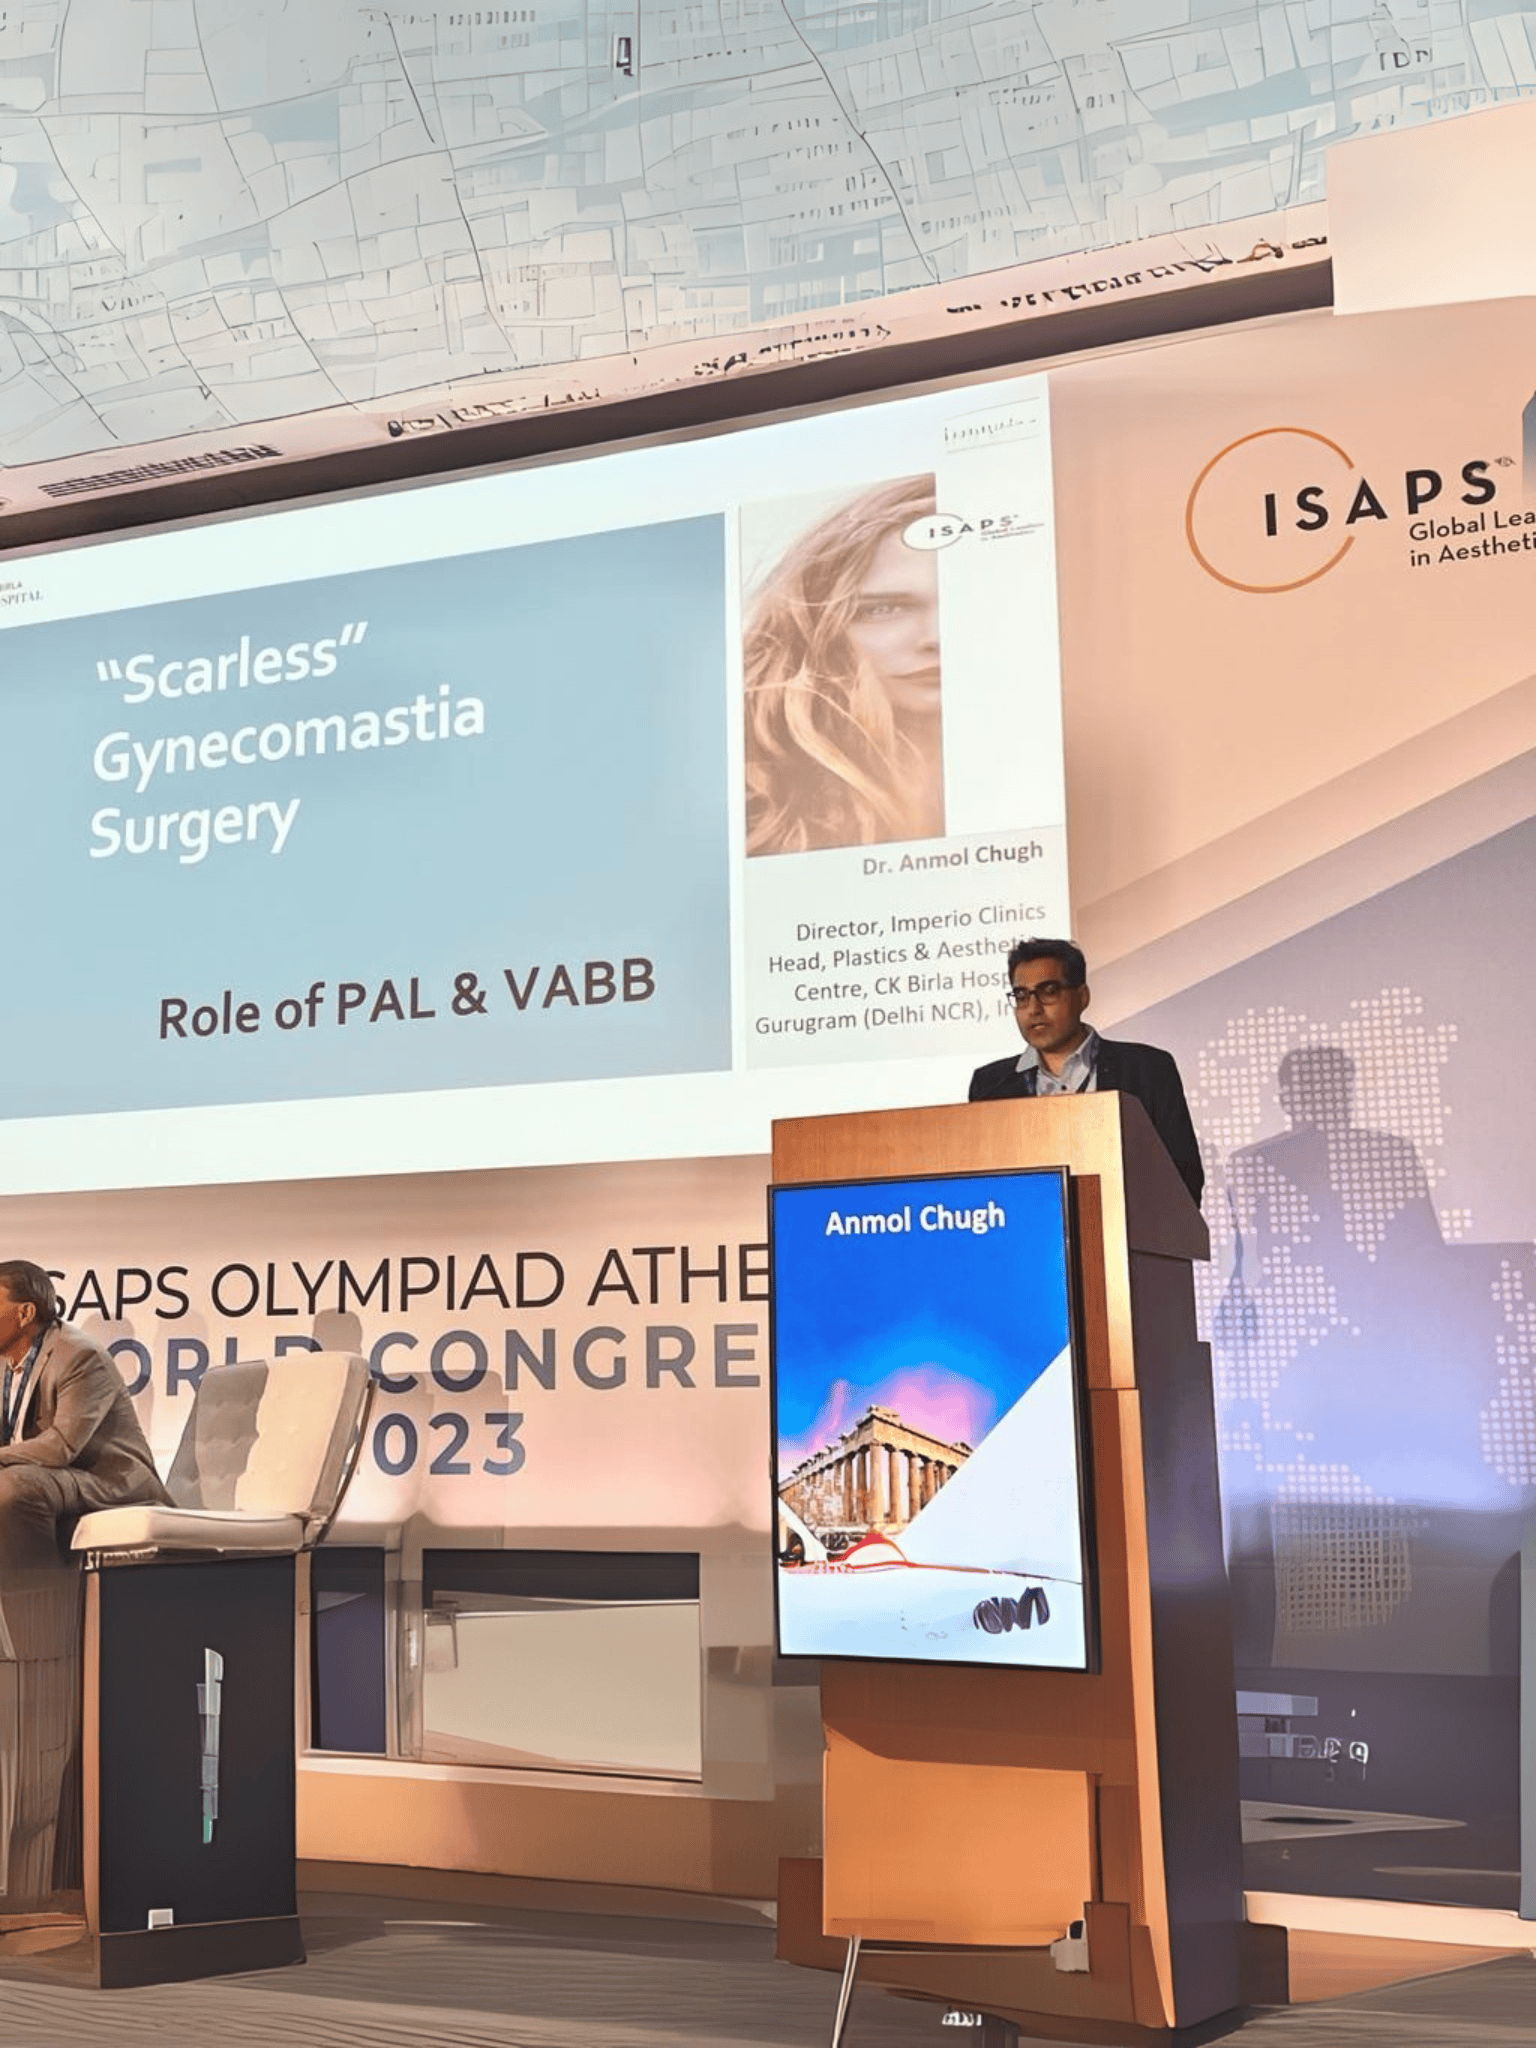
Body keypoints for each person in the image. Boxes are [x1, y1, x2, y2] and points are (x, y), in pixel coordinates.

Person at [744, 475, 945, 855]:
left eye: (965, 598)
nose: (936, 636)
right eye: (885, 609)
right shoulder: (753, 807)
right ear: (819, 630)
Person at [968, 939, 1204, 1205]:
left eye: (1048, 991)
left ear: (1082, 997)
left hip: (1123, 1226)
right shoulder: (990, 1085)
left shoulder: (1147, 1070)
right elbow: (982, 1188)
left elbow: (1184, 1179)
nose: (1033, 1009)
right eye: (1022, 996)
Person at [0, 1260, 169, 1575]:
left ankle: (38, 1594)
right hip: (47, 1474)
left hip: (106, 1479)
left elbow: (61, 1447)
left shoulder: (79, 1355)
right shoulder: (5, 1362)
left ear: (25, 1314)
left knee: (8, 1487)